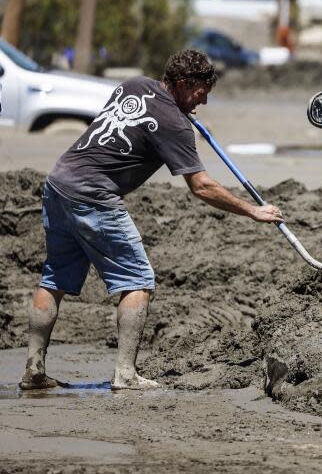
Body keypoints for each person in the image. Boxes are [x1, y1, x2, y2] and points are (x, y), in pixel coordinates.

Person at [19, 50, 283, 391]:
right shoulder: (174, 124)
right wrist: (254, 210)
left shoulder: (134, 85)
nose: (202, 104)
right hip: (93, 197)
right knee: (138, 280)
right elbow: (201, 186)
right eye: (201, 94)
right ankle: (125, 374)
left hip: (58, 184)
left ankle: (33, 370)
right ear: (186, 84)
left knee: (54, 278)